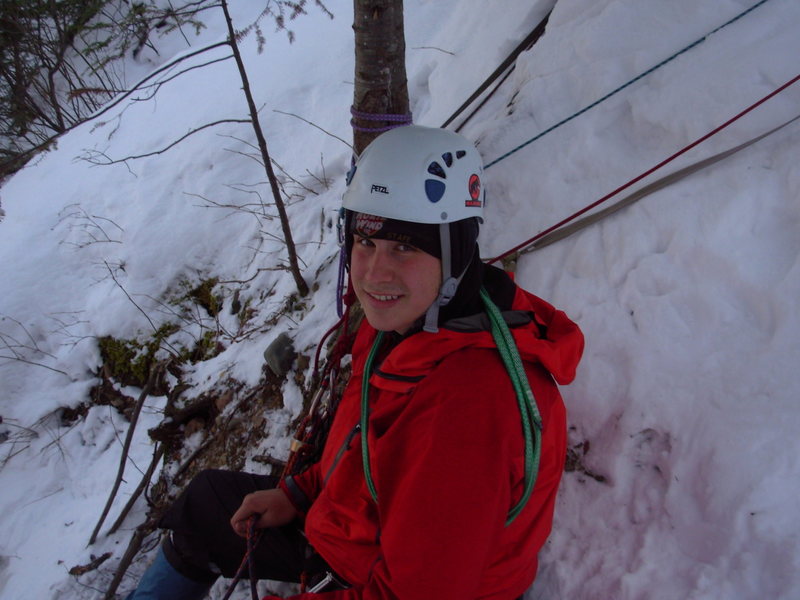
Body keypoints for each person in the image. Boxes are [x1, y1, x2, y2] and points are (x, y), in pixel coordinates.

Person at [126, 125, 584, 599]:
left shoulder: (469, 409)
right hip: (358, 532)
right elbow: (362, 445)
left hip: (380, 571)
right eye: (365, 242)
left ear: (457, 254)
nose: (374, 273)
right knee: (206, 504)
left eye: (405, 246)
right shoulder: (408, 322)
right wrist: (297, 494)